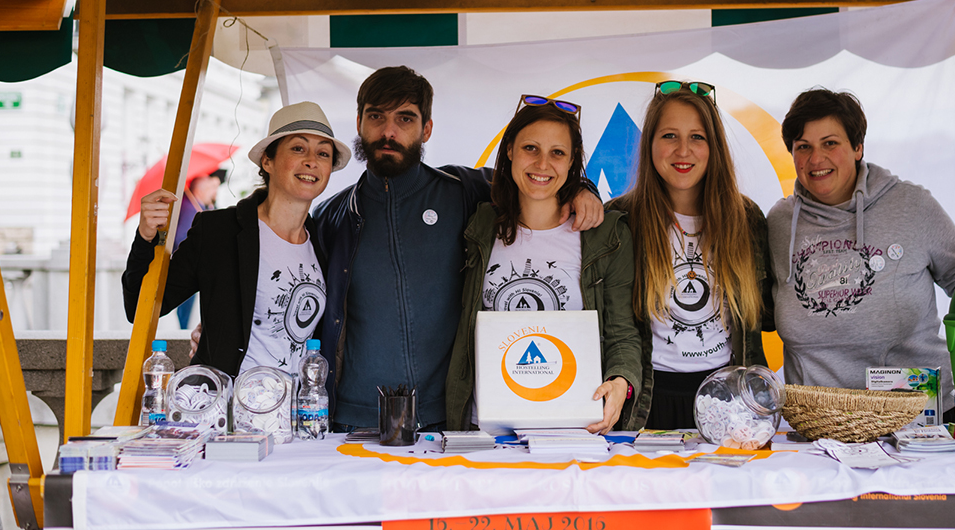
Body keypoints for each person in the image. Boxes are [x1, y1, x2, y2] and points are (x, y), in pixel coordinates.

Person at [314, 66, 605, 431]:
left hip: (447, 416)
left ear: (427, 129)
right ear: (359, 123)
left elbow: (536, 181)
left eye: (405, 118)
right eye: (376, 117)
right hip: (356, 419)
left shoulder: (464, 189)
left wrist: (582, 189)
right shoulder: (331, 216)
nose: (389, 132)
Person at [766, 88, 955, 422]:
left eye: (830, 143)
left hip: (918, 423)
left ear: (857, 148)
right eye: (803, 147)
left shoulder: (911, 205)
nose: (816, 159)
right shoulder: (779, 223)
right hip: (818, 425)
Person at [445, 96, 642, 433]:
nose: (542, 164)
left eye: (558, 153)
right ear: (510, 150)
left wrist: (621, 380)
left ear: (572, 161)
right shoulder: (477, 224)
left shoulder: (606, 235)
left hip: (572, 426)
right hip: (488, 429)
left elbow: (622, 332)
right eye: (530, 148)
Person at [123, 102, 349, 377]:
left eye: (323, 153)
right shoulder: (219, 231)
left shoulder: (325, 241)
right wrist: (146, 237)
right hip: (227, 401)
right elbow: (140, 307)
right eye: (298, 148)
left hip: (297, 402)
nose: (311, 161)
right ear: (267, 160)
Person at [610, 80, 771, 430]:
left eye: (697, 137)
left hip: (730, 402)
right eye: (669, 136)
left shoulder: (746, 220)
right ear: (650, 144)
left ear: (714, 147)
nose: (683, 150)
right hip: (644, 404)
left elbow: (773, 313)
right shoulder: (620, 220)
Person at [173, 169, 226, 330]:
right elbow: (181, 238)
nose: (215, 192)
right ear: (200, 190)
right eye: (212, 188)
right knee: (185, 310)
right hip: (188, 268)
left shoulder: (201, 205)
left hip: (196, 267)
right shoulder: (189, 207)